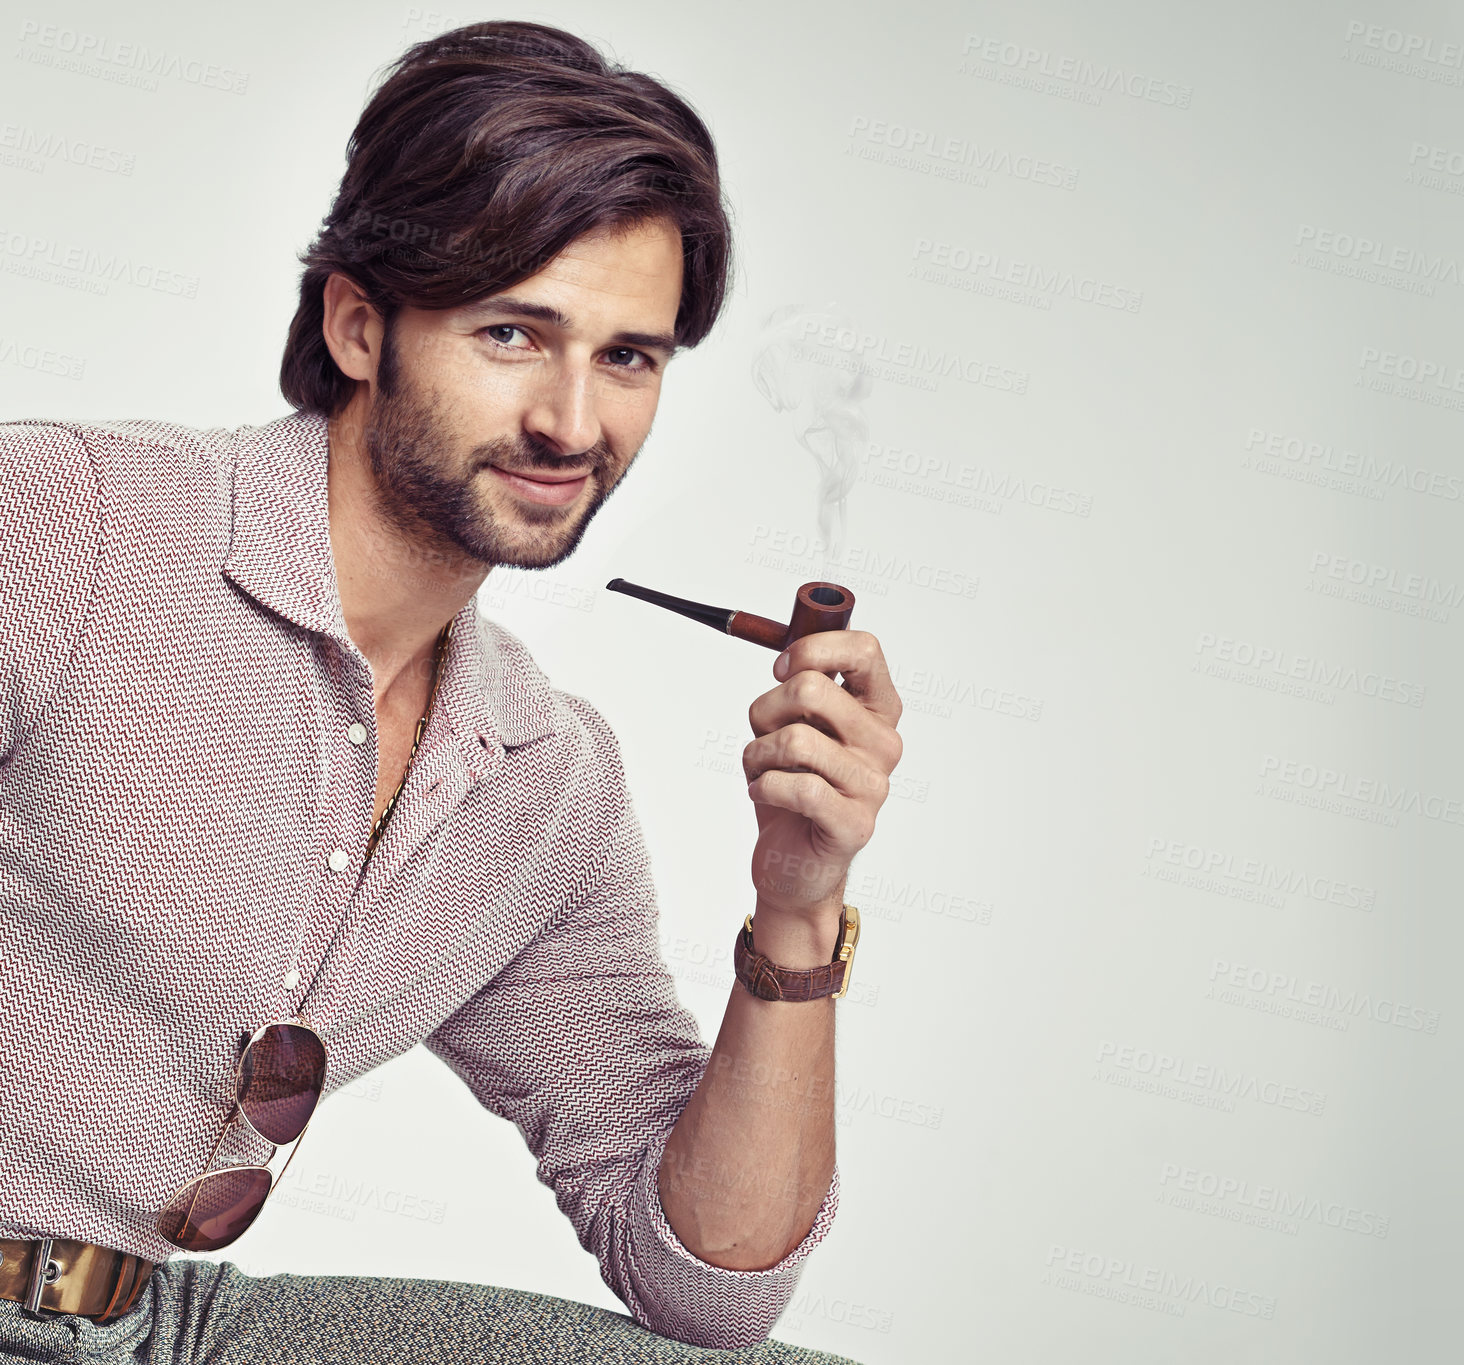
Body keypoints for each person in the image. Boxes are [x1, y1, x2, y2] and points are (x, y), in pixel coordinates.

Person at [0, 20, 903, 1364]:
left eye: (628, 358)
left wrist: (801, 902)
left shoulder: (544, 781)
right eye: (512, 334)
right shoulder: (67, 526)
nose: (571, 422)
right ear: (361, 324)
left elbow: (709, 1283)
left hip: (158, 1332)